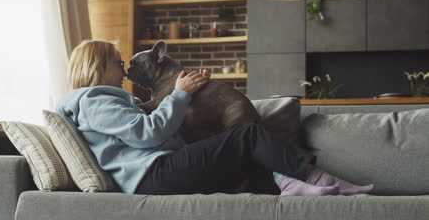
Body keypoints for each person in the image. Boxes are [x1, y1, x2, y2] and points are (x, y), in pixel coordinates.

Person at [57, 40, 374, 196]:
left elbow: (145, 129)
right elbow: (147, 134)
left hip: (157, 173)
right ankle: (317, 177)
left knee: (244, 155)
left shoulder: (103, 102)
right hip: (152, 176)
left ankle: (296, 187)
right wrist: (179, 94)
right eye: (118, 62)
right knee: (247, 135)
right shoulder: (94, 99)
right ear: (96, 67)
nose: (123, 68)